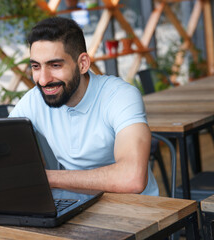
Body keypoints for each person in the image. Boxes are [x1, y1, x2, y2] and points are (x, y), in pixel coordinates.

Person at [9, 17, 158, 196]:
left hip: (133, 210)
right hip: (75, 209)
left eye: (55, 65)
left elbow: (131, 178)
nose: (43, 79)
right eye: (36, 66)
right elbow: (0, 151)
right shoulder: (34, 100)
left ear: (83, 64)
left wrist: (46, 178)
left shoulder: (119, 95)